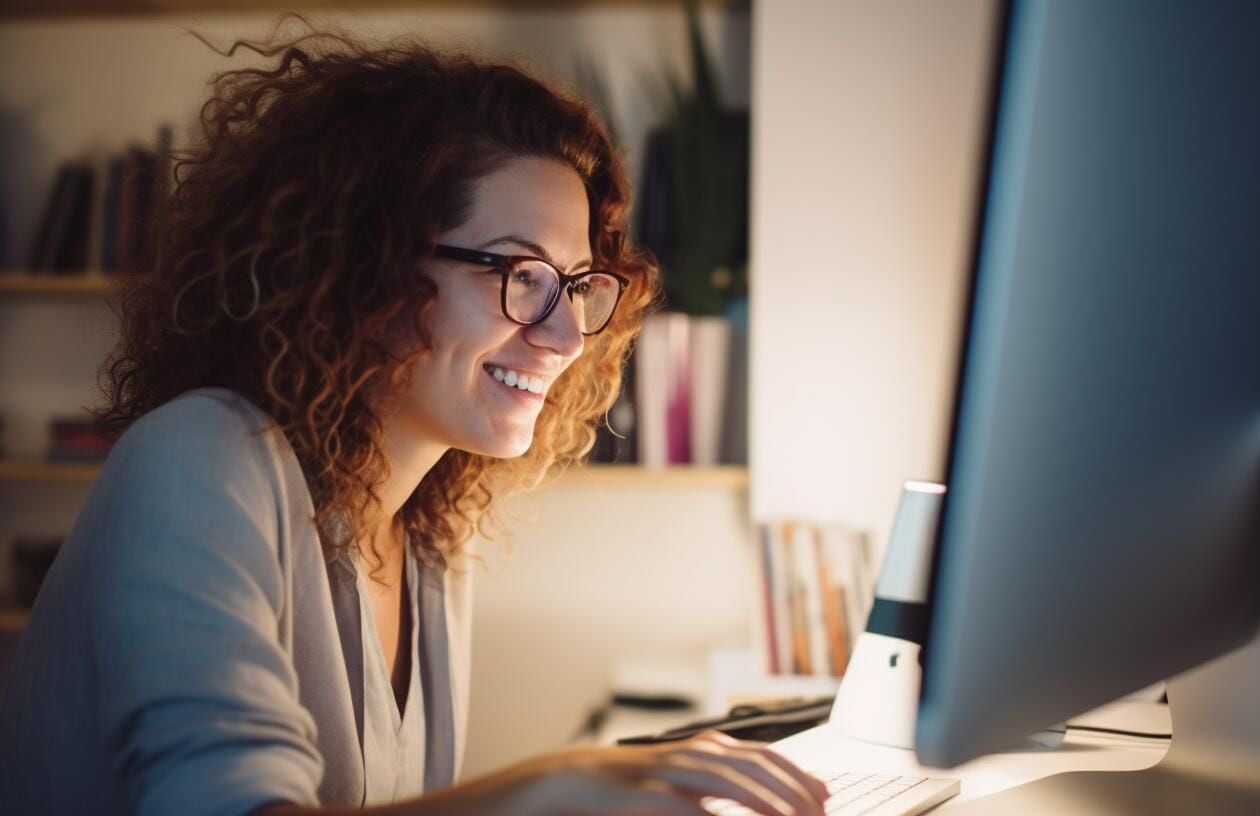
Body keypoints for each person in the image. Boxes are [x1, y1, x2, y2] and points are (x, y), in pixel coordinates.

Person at [0, 25, 829, 816]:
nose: (569, 334)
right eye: (520, 273)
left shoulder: (429, 541)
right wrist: (551, 786)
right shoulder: (200, 460)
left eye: (578, 284)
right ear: (365, 266)